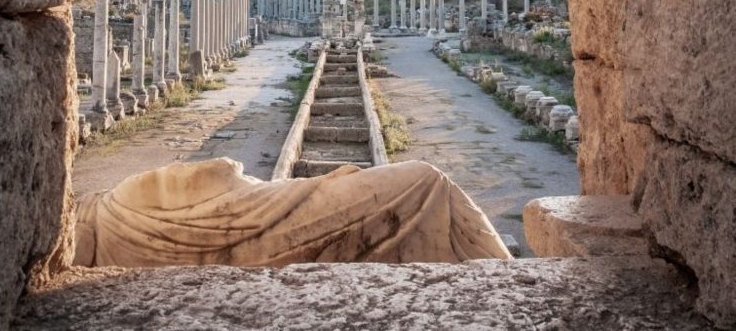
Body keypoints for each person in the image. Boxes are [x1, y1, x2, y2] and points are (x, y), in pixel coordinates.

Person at [75, 157, 512, 268]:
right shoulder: (122, 200)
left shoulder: (122, 236)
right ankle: (502, 274)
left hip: (281, 216)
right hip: (294, 208)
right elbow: (223, 172)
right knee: (427, 180)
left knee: (427, 183)